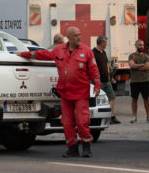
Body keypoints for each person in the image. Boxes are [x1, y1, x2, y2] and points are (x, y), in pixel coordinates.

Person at [16, 26, 100, 158]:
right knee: (66, 122)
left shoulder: (87, 51)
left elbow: (94, 69)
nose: (79, 37)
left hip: (81, 93)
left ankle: (86, 147)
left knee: (81, 121)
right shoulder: (59, 50)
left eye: (80, 34)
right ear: (69, 37)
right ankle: (72, 148)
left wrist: (97, 84)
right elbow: (41, 54)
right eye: (76, 35)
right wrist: (22, 54)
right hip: (65, 93)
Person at [93, 35, 120, 124]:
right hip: (98, 81)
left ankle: (112, 116)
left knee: (111, 97)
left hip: (106, 80)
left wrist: (110, 77)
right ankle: (99, 117)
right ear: (101, 43)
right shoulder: (93, 53)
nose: (106, 44)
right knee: (98, 99)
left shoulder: (103, 52)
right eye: (105, 42)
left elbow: (107, 65)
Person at [128, 39, 149, 123]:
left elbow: (148, 67)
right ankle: (134, 117)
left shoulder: (146, 56)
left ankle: (148, 117)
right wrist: (142, 65)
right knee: (134, 99)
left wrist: (137, 66)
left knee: (146, 99)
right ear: (135, 46)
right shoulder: (131, 56)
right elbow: (131, 65)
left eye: (142, 45)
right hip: (134, 81)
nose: (141, 46)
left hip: (145, 81)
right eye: (139, 45)